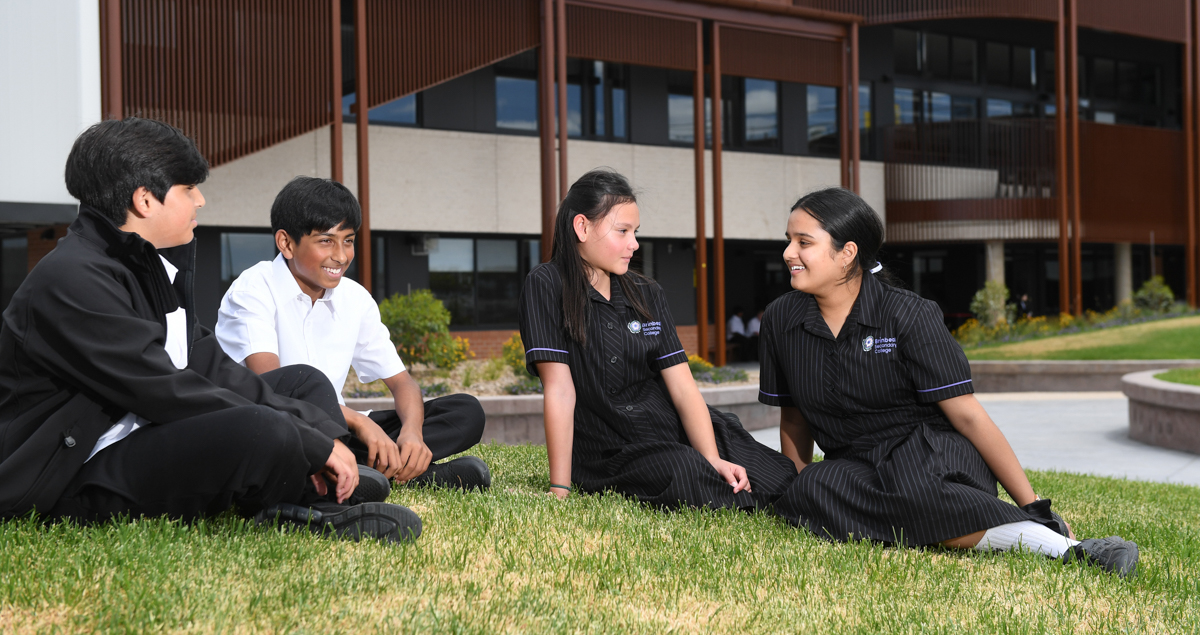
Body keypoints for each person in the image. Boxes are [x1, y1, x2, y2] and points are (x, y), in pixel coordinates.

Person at [0, 118, 420, 543]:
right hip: (74, 473)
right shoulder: (73, 278)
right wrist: (309, 443)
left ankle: (335, 478)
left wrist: (320, 433)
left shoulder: (148, 267)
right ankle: (315, 505)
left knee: (302, 382)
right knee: (261, 427)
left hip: (141, 436)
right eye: (188, 189)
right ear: (145, 200)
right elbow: (163, 389)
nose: (200, 200)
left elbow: (213, 367)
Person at [759, 187, 1139, 576]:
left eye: (804, 242)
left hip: (934, 455)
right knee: (813, 487)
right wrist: (801, 487)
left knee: (912, 487)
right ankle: (941, 522)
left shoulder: (909, 314)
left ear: (848, 253)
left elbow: (968, 416)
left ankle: (1067, 549)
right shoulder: (779, 320)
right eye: (789, 240)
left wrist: (1033, 504)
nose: (789, 253)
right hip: (860, 467)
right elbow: (795, 417)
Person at [518, 169, 796, 509]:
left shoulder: (647, 292)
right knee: (687, 472)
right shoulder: (546, 284)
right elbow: (560, 390)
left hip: (669, 427)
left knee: (775, 473)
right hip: (609, 452)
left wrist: (712, 457)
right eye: (622, 231)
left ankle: (795, 497)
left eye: (635, 232)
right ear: (582, 227)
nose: (634, 244)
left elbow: (682, 385)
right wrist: (560, 487)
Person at [217, 176, 490, 491]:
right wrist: (362, 423)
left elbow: (402, 382)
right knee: (288, 429)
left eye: (348, 240)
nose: (342, 256)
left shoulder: (355, 298)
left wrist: (411, 432)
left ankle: (371, 469)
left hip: (337, 425)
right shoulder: (253, 289)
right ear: (286, 243)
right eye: (326, 241)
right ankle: (390, 473)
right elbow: (276, 391)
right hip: (274, 422)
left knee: (465, 412)